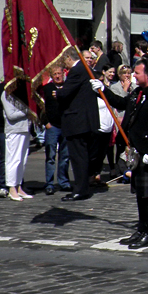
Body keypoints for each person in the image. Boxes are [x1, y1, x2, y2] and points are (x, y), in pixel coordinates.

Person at [98, 59, 148, 249]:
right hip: (138, 151)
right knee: (141, 194)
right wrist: (102, 90)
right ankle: (142, 229)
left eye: (137, 73)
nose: (134, 76)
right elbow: (122, 103)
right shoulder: (138, 93)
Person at [57, 47, 100, 202]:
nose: (64, 64)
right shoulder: (85, 69)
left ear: (69, 57)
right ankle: (83, 186)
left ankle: (80, 190)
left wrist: (58, 92)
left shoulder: (77, 70)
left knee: (78, 157)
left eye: (64, 60)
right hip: (84, 121)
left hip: (78, 122)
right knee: (83, 156)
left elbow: (65, 93)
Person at [38, 65, 70, 196]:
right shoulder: (47, 89)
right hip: (53, 127)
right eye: (55, 74)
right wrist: (46, 123)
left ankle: (64, 182)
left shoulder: (68, 87)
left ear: (63, 73)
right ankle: (49, 183)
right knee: (50, 156)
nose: (57, 76)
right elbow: (41, 106)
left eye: (59, 73)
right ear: (52, 76)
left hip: (66, 126)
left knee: (65, 156)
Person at [3, 84, 33, 201]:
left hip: (24, 129)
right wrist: (27, 110)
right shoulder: (6, 94)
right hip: (14, 130)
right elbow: (11, 115)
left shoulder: (22, 95)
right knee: (13, 160)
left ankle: (18, 186)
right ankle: (11, 188)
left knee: (22, 159)